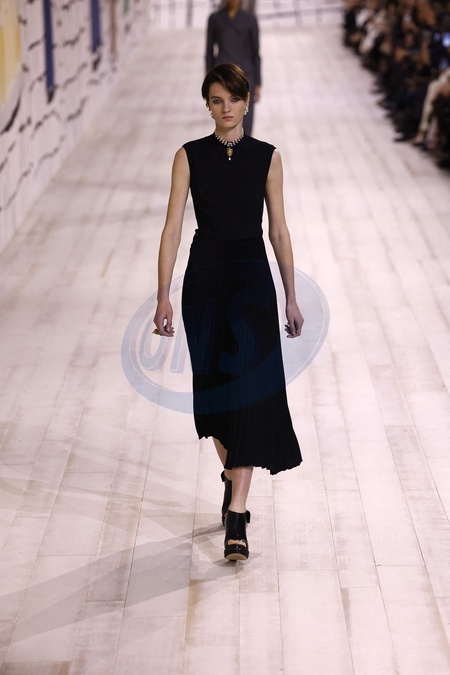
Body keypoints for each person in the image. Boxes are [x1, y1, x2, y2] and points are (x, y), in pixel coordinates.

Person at [153, 63, 303, 563]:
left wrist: (290, 294)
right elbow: (172, 228)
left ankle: (236, 517)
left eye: (234, 99)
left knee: (248, 395)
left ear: (247, 102)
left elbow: (278, 230)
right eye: (217, 100)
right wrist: (163, 295)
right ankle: (230, 474)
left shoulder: (267, 157)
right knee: (214, 399)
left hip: (252, 284)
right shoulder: (189, 156)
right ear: (207, 104)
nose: (226, 108)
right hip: (205, 283)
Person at [205, 0, 261, 135]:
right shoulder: (215, 19)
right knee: (225, 117)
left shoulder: (249, 20)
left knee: (246, 118)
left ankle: (245, 147)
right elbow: (209, 53)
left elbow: (255, 54)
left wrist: (258, 83)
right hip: (222, 76)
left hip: (245, 75)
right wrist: (208, 81)